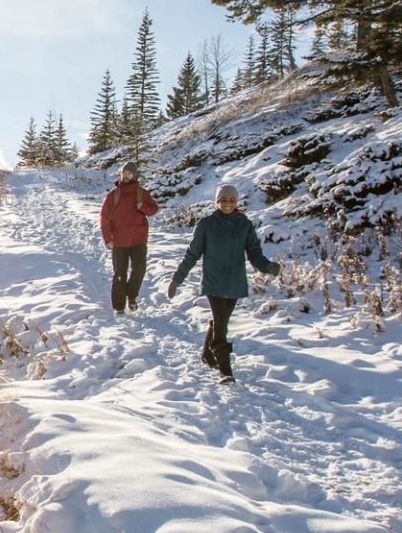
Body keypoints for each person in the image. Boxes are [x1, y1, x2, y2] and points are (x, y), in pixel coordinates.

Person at [167, 185, 279, 381]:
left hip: (235, 281)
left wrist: (267, 266)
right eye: (224, 200)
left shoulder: (244, 225)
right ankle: (225, 370)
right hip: (214, 281)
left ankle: (207, 354)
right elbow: (192, 254)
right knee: (221, 326)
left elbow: (254, 252)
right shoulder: (206, 224)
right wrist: (177, 279)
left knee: (221, 321)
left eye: (231, 200)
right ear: (217, 201)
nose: (228, 203)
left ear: (236, 202)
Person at [99, 162, 160, 313]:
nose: (126, 175)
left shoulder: (141, 193)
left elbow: (154, 209)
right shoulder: (114, 194)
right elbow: (104, 217)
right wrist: (107, 238)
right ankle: (119, 307)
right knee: (120, 274)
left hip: (138, 240)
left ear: (134, 175)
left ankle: (131, 296)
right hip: (119, 240)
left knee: (139, 270)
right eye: (124, 172)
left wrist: (142, 207)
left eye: (129, 173)